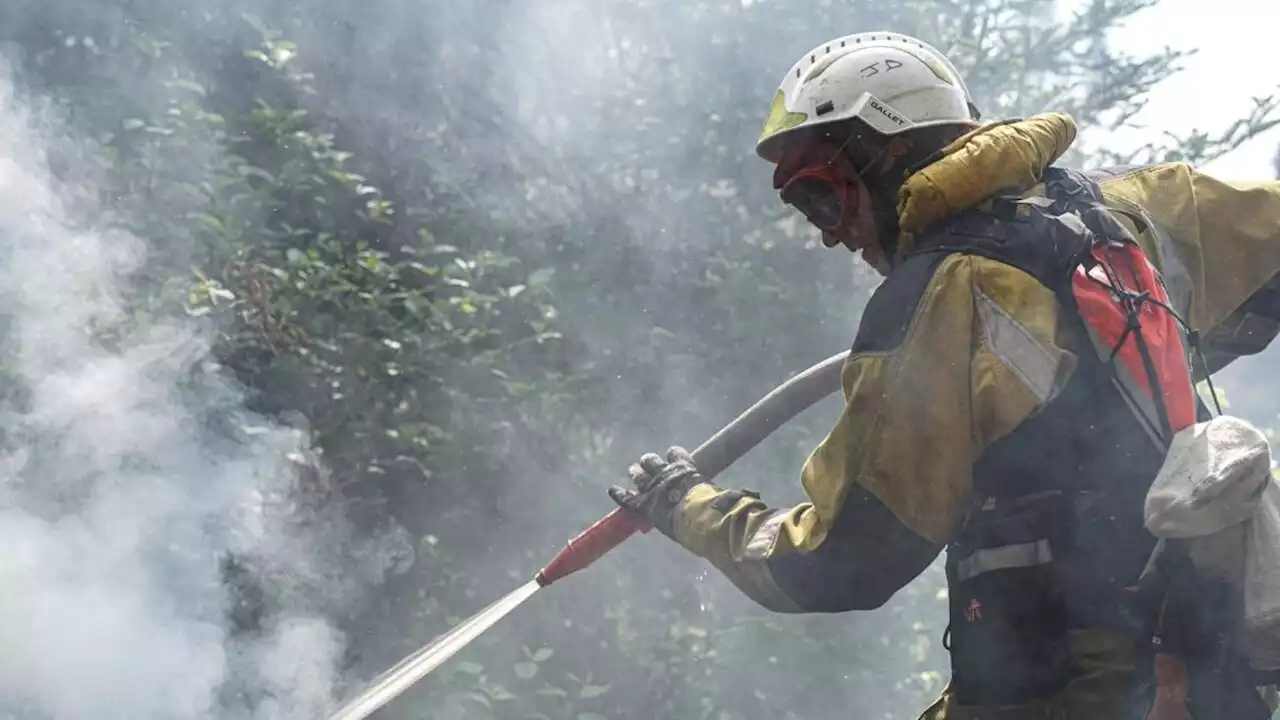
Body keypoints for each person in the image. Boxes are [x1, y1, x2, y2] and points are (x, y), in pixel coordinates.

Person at [608, 31, 1280, 719]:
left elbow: (839, 560)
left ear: (885, 157)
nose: (830, 235)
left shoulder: (941, 295)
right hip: (1212, 683)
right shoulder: (1129, 206)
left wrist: (687, 507)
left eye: (821, 200)